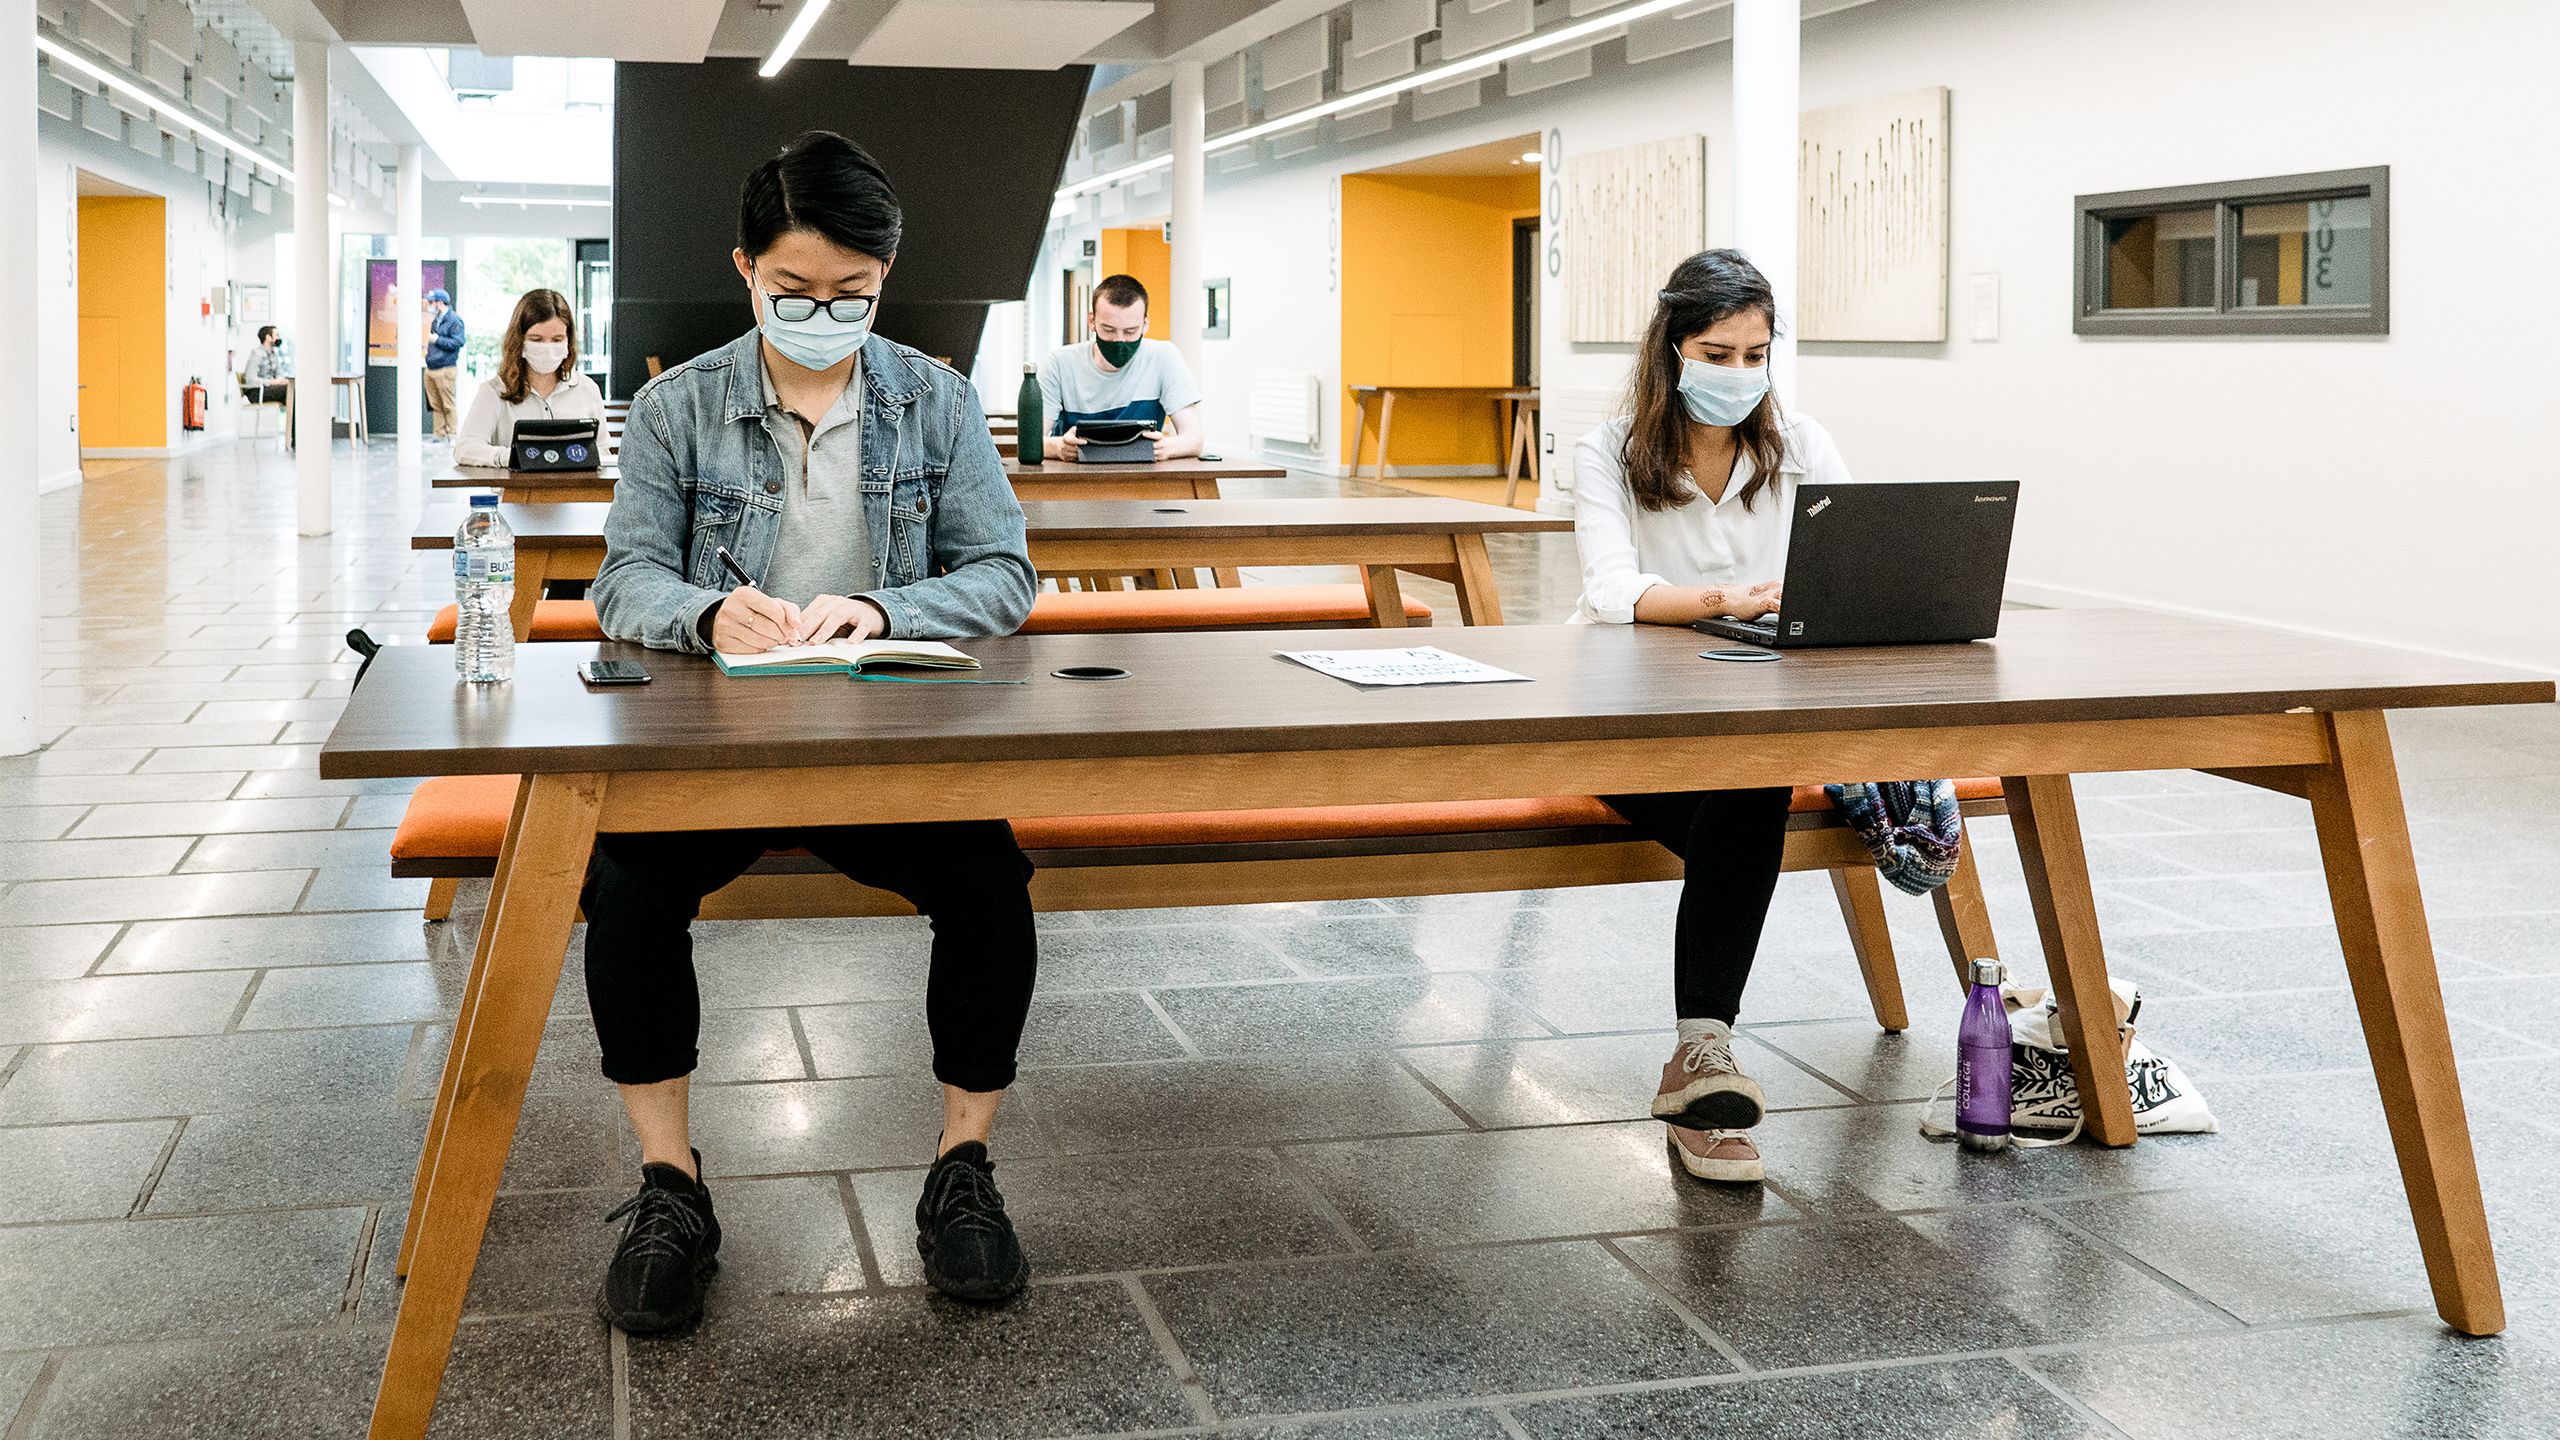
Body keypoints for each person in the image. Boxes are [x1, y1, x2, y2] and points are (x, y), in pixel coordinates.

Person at [586, 130, 1040, 1333]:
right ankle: (670, 1185)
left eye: (855, 293)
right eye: (796, 291)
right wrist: (705, 610)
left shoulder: (934, 400)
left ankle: (963, 1171)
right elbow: (620, 581)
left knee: (991, 878)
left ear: (886, 277)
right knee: (626, 886)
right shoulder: (678, 407)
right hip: (717, 749)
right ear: (745, 269)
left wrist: (888, 605)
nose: (826, 312)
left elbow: (1004, 574)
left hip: (878, 743)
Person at [1571, 248, 1856, 1187]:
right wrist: (1727, 598)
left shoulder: (1800, 441)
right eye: (1716, 352)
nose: (1739, 374)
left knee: (1751, 777)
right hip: (1622, 715)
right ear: (1671, 350)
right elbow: (1613, 589)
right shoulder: (1608, 450)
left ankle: (1702, 1053)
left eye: (1755, 354)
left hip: (1753, 716)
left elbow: (1857, 551)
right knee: (1752, 793)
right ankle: (1701, 1064)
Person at [1035, 273, 1206, 459]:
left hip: (1144, 479)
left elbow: (1194, 439)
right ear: (1092, 321)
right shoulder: (1060, 363)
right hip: (1077, 478)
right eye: (1109, 330)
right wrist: (1058, 447)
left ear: (1145, 324)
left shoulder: (1163, 357)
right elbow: (1030, 440)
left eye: (1130, 331)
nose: (1119, 340)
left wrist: (1165, 447)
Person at [451, 288, 606, 468]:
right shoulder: (495, 391)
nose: (547, 347)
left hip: (576, 494)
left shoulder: (587, 389)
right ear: (519, 341)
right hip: (516, 493)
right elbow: (465, 448)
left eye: (557, 339)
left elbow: (602, 451)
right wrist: (512, 457)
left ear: (568, 342)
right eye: (536, 339)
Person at [422, 288, 466, 438]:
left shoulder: (454, 320)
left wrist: (437, 340)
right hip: (431, 368)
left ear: (440, 303)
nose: (429, 305)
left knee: (448, 404)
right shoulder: (437, 319)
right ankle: (438, 434)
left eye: (431, 302)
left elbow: (458, 342)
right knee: (436, 405)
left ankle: (452, 434)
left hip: (445, 368)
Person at [242, 325, 289, 404]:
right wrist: (272, 382)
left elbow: (279, 373)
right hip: (257, 392)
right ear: (268, 337)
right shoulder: (256, 354)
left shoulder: (274, 354)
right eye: (276, 335)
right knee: (289, 390)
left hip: (269, 389)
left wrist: (282, 380)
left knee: (292, 389)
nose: (278, 338)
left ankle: (294, 416)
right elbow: (250, 380)